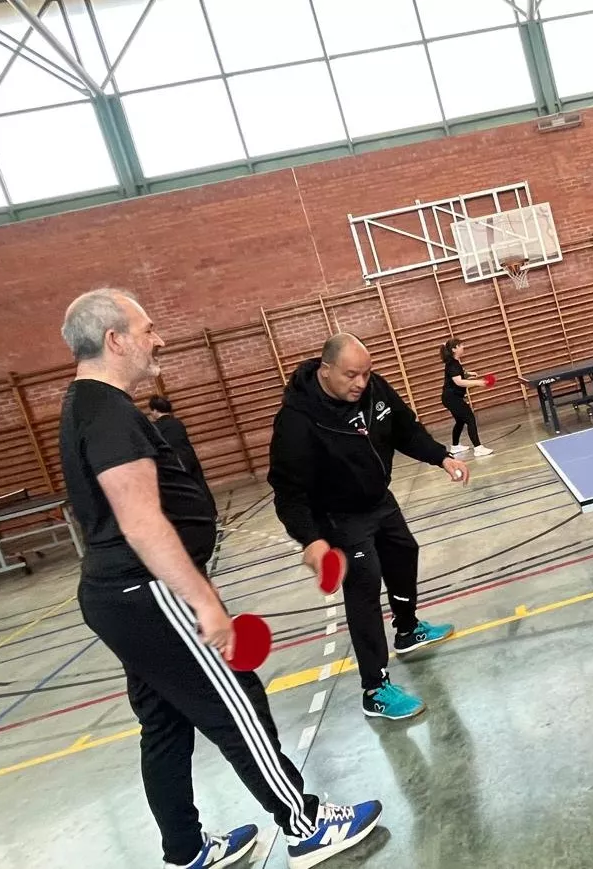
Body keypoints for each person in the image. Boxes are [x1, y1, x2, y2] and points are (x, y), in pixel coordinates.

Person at [58, 289, 381, 869]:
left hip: (118, 595)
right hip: (148, 590)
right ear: (115, 340)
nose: (158, 339)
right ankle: (306, 826)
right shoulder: (109, 415)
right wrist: (203, 600)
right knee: (237, 704)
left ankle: (185, 850)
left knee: (163, 722)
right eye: (147, 329)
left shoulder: (86, 404)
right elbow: (141, 522)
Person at [268, 333, 468, 722]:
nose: (361, 383)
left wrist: (441, 457)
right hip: (338, 516)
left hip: (378, 500)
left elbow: (405, 429)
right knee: (364, 588)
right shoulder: (296, 420)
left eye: (366, 373)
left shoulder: (374, 388)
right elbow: (288, 493)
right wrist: (310, 539)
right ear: (325, 371)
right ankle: (375, 689)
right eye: (351, 375)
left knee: (404, 553)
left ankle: (408, 629)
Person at [148, 395, 215, 516]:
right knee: (200, 485)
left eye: (151, 411)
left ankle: (195, 515)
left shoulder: (156, 428)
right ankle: (212, 513)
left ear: (155, 410)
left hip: (176, 461)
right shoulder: (178, 423)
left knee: (184, 490)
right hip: (190, 457)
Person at [440, 338, 493, 457]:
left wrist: (469, 374)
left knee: (460, 421)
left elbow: (460, 373)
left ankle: (455, 446)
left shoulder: (455, 362)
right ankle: (478, 448)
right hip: (452, 398)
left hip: (451, 397)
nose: (463, 347)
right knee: (470, 419)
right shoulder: (452, 364)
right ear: (454, 349)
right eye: (460, 345)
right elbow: (459, 382)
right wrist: (478, 382)